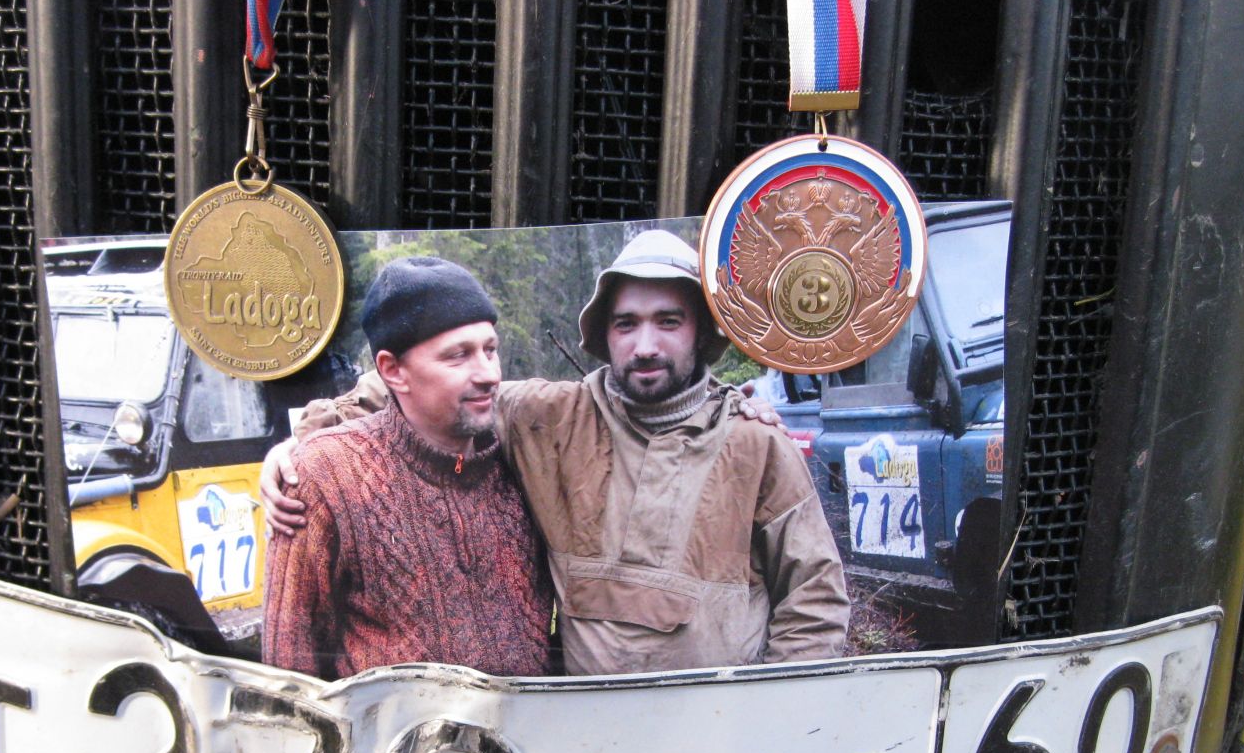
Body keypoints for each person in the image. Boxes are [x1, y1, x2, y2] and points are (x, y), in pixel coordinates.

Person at [267, 230, 850, 674]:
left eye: (669, 321)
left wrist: (765, 714)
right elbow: (418, 386)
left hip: (718, 743)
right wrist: (299, 446)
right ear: (603, 333)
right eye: (626, 324)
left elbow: (816, 600)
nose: (645, 345)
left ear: (701, 331)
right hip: (575, 747)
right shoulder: (549, 418)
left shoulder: (755, 441)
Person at [262, 256, 553, 679]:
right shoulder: (325, 476)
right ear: (393, 371)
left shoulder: (523, 457)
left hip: (530, 722)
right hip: (390, 725)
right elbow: (287, 675)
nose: (489, 374)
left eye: (490, 350)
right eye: (458, 356)